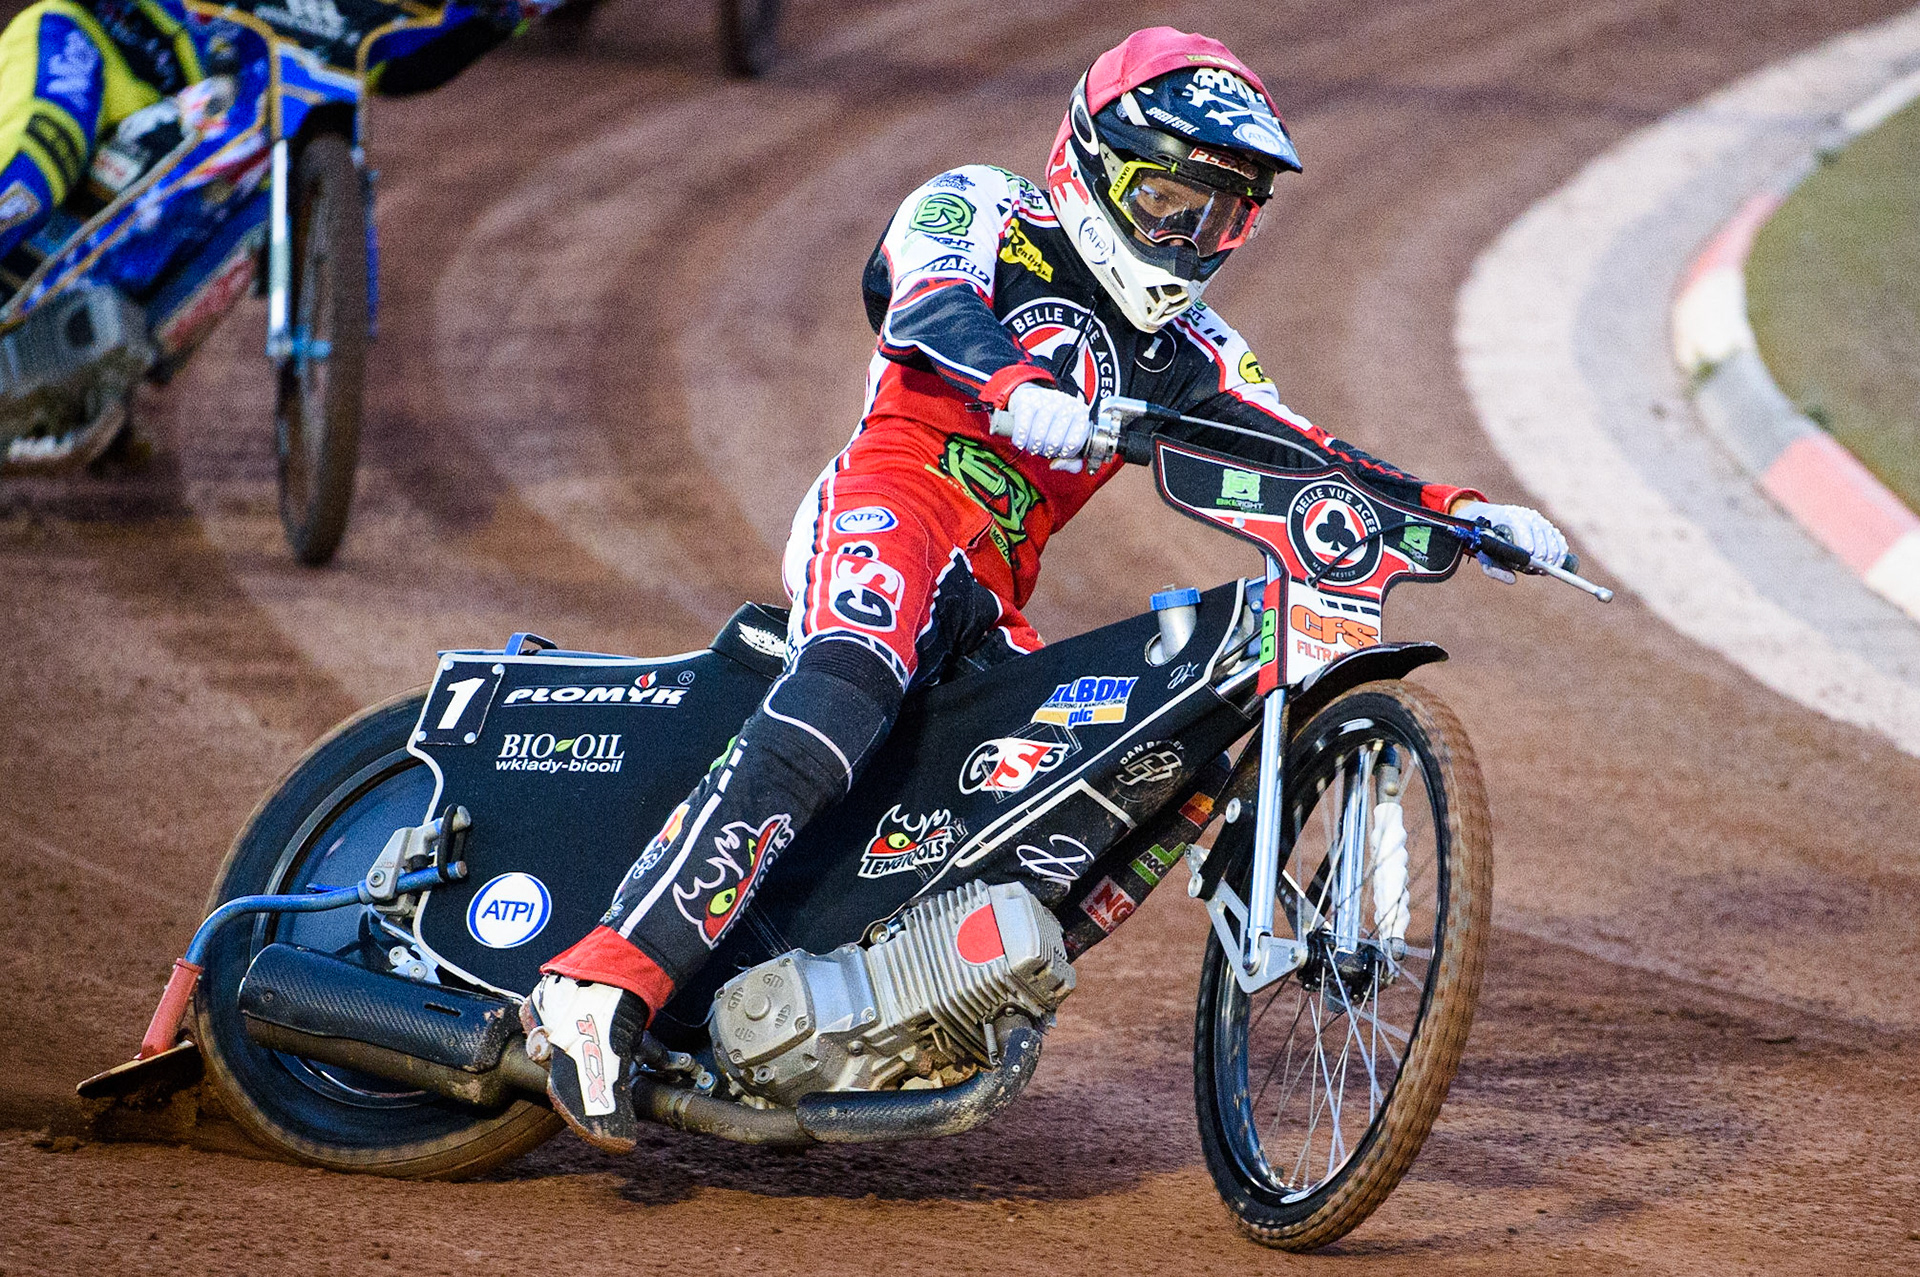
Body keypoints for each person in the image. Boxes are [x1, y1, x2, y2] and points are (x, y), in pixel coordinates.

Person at [521, 26, 1569, 1151]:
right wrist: (1016, 380)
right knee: (852, 672)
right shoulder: (983, 205)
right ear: (1097, 160)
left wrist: (1460, 508)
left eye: (1219, 214)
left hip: (994, 591)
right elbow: (918, 299)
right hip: (896, 502)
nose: (1189, 235)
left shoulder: (1194, 346)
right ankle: (598, 981)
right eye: (1169, 199)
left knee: (1090, 781)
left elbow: (1304, 448)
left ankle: (880, 1002)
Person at [0, 0, 553, 263]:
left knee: (260, 180)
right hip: (96, 48)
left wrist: (502, 15)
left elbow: (395, 64)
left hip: (200, 116)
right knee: (35, 169)